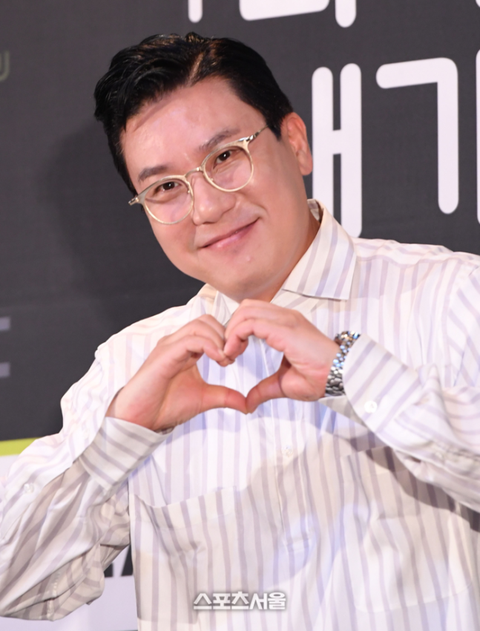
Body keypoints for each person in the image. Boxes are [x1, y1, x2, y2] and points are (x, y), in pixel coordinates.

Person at [0, 32, 480, 631]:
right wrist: (118, 437)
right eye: (165, 188)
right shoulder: (132, 366)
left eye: (225, 156)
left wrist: (352, 374)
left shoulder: (453, 298)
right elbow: (13, 583)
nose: (205, 207)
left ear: (296, 142)